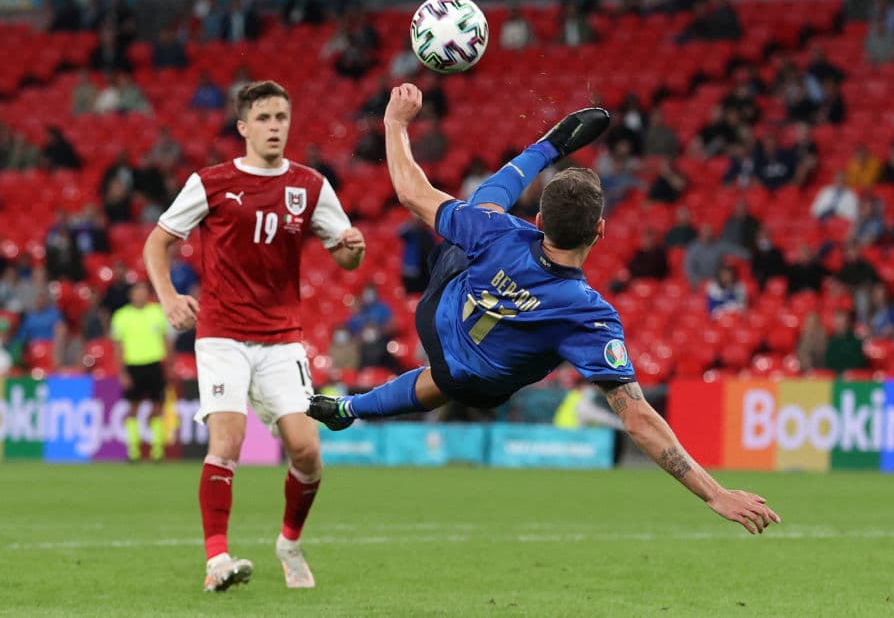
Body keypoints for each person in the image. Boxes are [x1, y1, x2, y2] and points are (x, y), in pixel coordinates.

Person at [308, 84, 780, 536]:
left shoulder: (498, 231)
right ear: (599, 231)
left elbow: (412, 192)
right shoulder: (589, 316)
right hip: (476, 380)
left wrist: (394, 123)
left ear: (537, 220)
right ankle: (351, 407)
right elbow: (638, 418)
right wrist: (714, 493)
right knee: (453, 371)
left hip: (438, 311)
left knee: (481, 211)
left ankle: (347, 407)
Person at [142, 81, 367, 592]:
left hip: (281, 338)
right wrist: (169, 297)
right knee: (228, 440)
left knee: (307, 451)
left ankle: (288, 541)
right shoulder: (212, 182)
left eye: (281, 117)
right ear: (243, 127)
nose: (274, 127)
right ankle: (216, 561)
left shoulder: (311, 186)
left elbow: (346, 257)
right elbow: (157, 243)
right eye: (263, 118)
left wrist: (353, 247)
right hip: (221, 333)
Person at [111, 282, 171, 463]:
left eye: (144, 291)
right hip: (133, 365)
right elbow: (118, 346)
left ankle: (157, 451)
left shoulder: (157, 312)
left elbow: (167, 339)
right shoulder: (121, 316)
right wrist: (122, 371)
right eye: (137, 292)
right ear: (131, 295)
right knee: (133, 408)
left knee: (157, 407)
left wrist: (168, 366)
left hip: (154, 364)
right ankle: (134, 451)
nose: (140, 295)